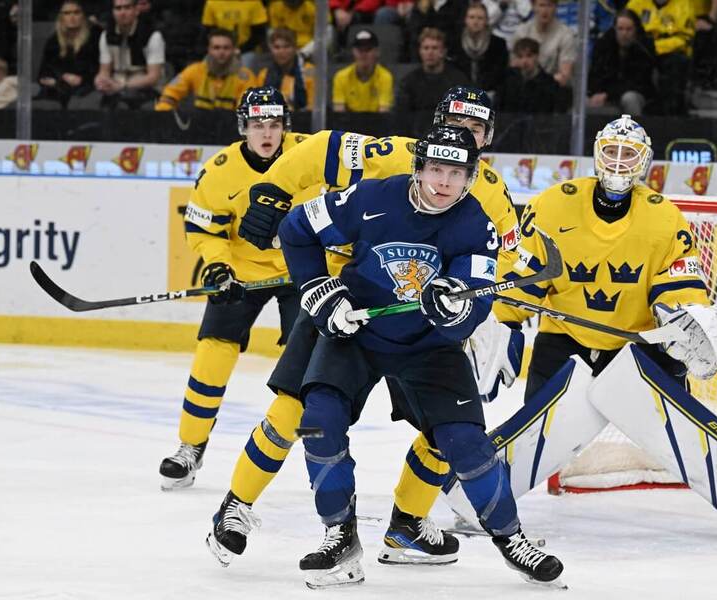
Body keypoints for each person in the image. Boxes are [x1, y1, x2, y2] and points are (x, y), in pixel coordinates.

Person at [204, 86, 523, 569]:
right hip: (345, 303)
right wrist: (276, 189)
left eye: (476, 129)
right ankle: (237, 505)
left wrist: (495, 315)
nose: (465, 135)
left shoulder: (490, 192)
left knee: (444, 432)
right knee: (297, 410)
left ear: (488, 138)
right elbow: (323, 147)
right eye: (457, 124)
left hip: (424, 324)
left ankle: (408, 527)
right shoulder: (397, 154)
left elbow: (505, 261)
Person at [274, 123, 564, 588]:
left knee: (467, 443)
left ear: (471, 177)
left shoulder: (475, 225)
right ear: (418, 168)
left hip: (429, 346)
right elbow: (296, 229)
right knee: (318, 420)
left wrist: (454, 306)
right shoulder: (368, 199)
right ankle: (338, 536)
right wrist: (317, 290)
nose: (443, 182)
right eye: (435, 169)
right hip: (358, 332)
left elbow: (472, 307)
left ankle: (512, 539)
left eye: (456, 172)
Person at [466, 114, 717, 538]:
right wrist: (506, 324)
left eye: (627, 154)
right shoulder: (553, 204)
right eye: (610, 152)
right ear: (596, 155)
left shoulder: (663, 217)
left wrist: (680, 319)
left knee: (677, 426)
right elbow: (527, 275)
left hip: (636, 346)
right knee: (536, 427)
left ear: (644, 161)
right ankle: (479, 500)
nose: (617, 162)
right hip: (566, 340)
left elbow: (680, 281)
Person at [158, 86, 307, 490]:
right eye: (258, 124)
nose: (267, 132)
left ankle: (313, 447)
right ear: (244, 127)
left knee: (308, 361)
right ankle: (190, 448)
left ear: (285, 127)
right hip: (242, 273)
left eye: (274, 124)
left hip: (301, 272)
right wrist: (219, 266)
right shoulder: (221, 169)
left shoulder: (309, 154)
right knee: (213, 351)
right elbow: (203, 230)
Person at [155, 29, 256, 111]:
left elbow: (248, 110)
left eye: (226, 48)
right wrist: (165, 112)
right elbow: (169, 95)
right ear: (209, 49)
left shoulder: (246, 77)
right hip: (198, 125)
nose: (221, 52)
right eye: (216, 48)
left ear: (234, 50)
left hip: (232, 127)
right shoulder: (194, 70)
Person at [626, 0, 695, 115]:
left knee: (676, 64)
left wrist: (656, 47)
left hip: (671, 52)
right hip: (641, 50)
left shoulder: (684, 4)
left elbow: (685, 38)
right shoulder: (635, 4)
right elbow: (627, 30)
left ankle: (671, 114)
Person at [94, 0, 165, 109]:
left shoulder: (152, 35)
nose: (122, 13)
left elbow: (153, 77)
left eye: (127, 8)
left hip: (147, 89)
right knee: (95, 102)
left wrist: (122, 86)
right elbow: (104, 71)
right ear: (113, 12)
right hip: (116, 86)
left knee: (125, 106)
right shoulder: (106, 35)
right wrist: (101, 81)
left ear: (136, 10)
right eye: (118, 8)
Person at [586, 8, 657, 116]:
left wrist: (608, 94)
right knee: (581, 102)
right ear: (615, 29)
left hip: (635, 93)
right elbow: (595, 75)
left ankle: (635, 132)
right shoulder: (603, 45)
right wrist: (596, 94)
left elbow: (639, 82)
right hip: (605, 93)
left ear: (636, 30)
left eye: (629, 29)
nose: (624, 33)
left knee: (630, 99)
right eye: (620, 29)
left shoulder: (644, 47)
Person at [36, 1, 102, 108]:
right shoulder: (53, 41)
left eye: (76, 12)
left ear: (83, 16)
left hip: (87, 88)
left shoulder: (95, 37)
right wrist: (60, 78)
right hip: (58, 88)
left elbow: (100, 69)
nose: (72, 17)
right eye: (67, 13)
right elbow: (43, 73)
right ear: (61, 17)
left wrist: (82, 79)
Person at [396, 28, 469, 112]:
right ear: (420, 52)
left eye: (434, 48)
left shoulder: (458, 81)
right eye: (426, 48)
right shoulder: (408, 82)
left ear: (443, 52)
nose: (430, 52)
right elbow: (402, 115)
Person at [448, 1, 508, 97]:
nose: (475, 22)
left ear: (486, 21)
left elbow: (500, 74)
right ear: (465, 20)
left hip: (490, 93)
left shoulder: (498, 44)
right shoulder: (455, 43)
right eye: (471, 17)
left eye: (480, 18)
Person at [511, 0, 576, 88]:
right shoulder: (522, 32)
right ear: (533, 6)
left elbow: (564, 76)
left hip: (553, 91)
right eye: (541, 5)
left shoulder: (566, 35)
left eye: (549, 5)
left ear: (556, 7)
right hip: (524, 88)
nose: (545, 11)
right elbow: (513, 67)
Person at [332, 28, 394, 112]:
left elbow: (383, 114)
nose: (363, 54)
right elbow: (339, 114)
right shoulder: (341, 77)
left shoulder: (385, 77)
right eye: (360, 50)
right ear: (353, 52)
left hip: (376, 124)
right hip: (349, 124)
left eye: (368, 49)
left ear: (377, 52)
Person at [255, 27, 312, 111]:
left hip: (302, 119)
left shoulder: (308, 71)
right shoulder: (264, 74)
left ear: (295, 48)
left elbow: (314, 107)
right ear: (271, 49)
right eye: (277, 47)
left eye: (287, 46)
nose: (282, 52)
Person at [497, 36, 558, 113]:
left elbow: (549, 113)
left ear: (537, 56)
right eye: (520, 57)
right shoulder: (507, 78)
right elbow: (498, 109)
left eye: (529, 56)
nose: (524, 61)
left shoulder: (549, 82)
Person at [201, 0, 268, 69]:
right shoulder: (212, 2)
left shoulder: (254, 2)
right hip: (220, 49)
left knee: (243, 71)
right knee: (203, 68)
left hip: (247, 50)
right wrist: (222, 49)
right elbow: (209, 32)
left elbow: (259, 35)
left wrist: (239, 50)